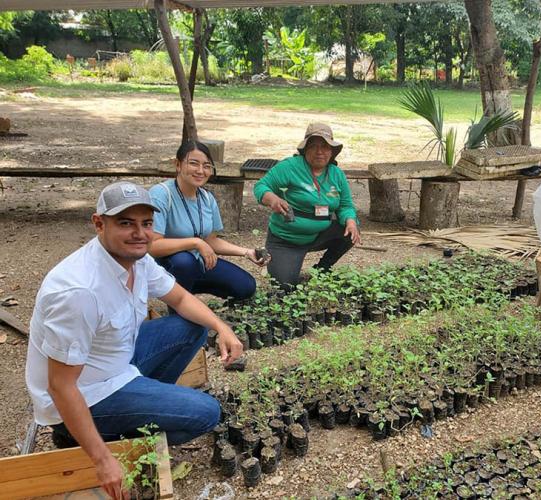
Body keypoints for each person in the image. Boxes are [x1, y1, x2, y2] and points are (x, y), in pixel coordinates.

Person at [25, 181, 244, 500]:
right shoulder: (78, 292)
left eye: (146, 223)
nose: (139, 233)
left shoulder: (137, 260)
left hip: (116, 364)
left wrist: (222, 327)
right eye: (125, 223)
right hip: (86, 393)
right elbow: (61, 386)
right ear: (99, 223)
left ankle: (142, 406)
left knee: (193, 326)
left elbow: (181, 299)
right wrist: (102, 461)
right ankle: (90, 436)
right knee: (206, 412)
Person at [148, 141, 266, 303]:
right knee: (184, 262)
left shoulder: (206, 198)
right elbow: (153, 246)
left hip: (197, 261)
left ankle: (186, 290)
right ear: (178, 165)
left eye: (206, 166)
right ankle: (178, 308)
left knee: (246, 286)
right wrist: (196, 243)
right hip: (166, 265)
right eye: (193, 164)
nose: (200, 171)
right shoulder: (161, 194)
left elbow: (211, 241)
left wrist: (246, 252)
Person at [254, 122, 361, 288]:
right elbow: (261, 186)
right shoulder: (290, 166)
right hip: (286, 240)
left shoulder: (336, 174)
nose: (320, 152)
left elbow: (345, 206)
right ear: (305, 149)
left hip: (318, 234)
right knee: (285, 287)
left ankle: (322, 269)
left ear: (332, 151)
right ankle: (286, 264)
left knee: (350, 230)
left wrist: (350, 220)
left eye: (325, 147)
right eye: (314, 146)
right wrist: (273, 199)